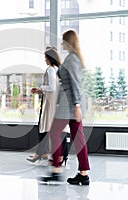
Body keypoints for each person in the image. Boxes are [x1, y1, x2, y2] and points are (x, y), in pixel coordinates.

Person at [40, 29, 90, 185]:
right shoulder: (73, 58)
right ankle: (83, 173)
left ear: (69, 41)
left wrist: (76, 105)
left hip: (69, 106)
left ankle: (56, 169)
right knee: (79, 139)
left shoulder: (73, 59)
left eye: (63, 40)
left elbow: (76, 83)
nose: (61, 43)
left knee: (54, 133)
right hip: (71, 105)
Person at [27, 46, 61, 163]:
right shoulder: (56, 69)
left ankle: (39, 153)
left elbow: (52, 87)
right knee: (45, 128)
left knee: (43, 128)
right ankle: (45, 153)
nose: (44, 60)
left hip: (49, 103)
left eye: (45, 57)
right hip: (51, 102)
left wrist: (40, 88)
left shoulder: (51, 69)